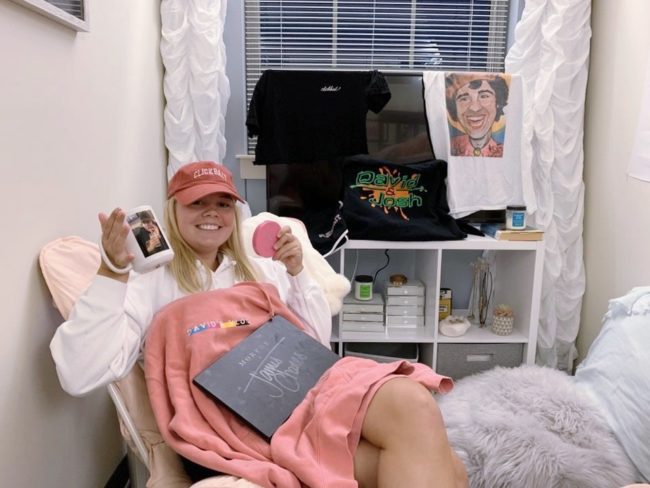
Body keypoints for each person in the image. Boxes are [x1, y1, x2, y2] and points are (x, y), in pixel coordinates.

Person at [50, 161, 467, 487]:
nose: (211, 213)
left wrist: (298, 271)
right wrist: (111, 272)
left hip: (308, 394)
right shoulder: (149, 280)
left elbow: (313, 343)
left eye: (222, 203)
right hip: (237, 423)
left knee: (412, 401)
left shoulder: (258, 268)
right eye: (197, 202)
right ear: (172, 211)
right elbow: (79, 374)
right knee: (448, 469)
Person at [445, 73, 510, 158]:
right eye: (464, 99)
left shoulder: (506, 151)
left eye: (484, 96)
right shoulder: (449, 146)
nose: (474, 108)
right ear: (454, 107)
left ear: (497, 103)